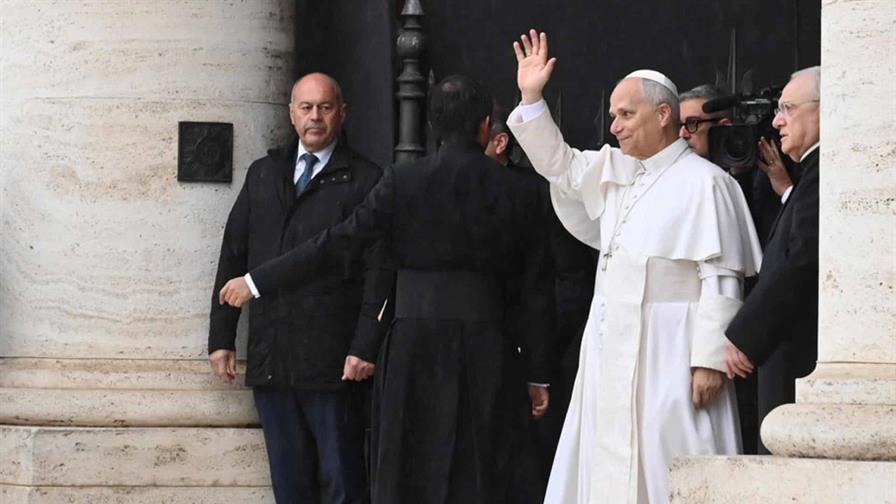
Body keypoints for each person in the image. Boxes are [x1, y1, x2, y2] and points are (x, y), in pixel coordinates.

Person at [219, 74, 552, 504]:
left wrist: (256, 280)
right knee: (482, 468)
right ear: (486, 126)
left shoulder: (402, 180)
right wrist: (539, 373)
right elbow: (536, 289)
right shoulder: (520, 191)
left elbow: (335, 243)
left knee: (409, 467)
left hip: (414, 348)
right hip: (489, 347)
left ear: (432, 124)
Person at [508, 30, 763, 503]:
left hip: (672, 349)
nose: (615, 127)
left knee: (670, 458)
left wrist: (708, 360)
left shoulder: (706, 183)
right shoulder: (617, 172)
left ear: (664, 114)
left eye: (626, 114)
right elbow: (559, 165)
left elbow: (721, 278)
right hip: (609, 342)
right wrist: (531, 97)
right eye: (613, 116)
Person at [208, 72, 391, 504]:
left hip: (332, 362)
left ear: (341, 114)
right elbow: (234, 253)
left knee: (342, 482)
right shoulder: (263, 174)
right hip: (274, 357)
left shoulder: (366, 180)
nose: (315, 117)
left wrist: (365, 345)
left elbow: (381, 272)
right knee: (290, 486)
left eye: (324, 107)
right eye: (306, 108)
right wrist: (221, 337)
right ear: (291, 115)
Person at [486, 106, 598, 504]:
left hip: (546, 345)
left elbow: (569, 274)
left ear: (501, 142)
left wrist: (542, 349)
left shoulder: (538, 192)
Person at [725, 66, 821, 455]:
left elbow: (801, 258)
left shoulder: (825, 170)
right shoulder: (812, 173)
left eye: (788, 108)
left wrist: (746, 333)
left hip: (796, 353)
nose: (777, 120)